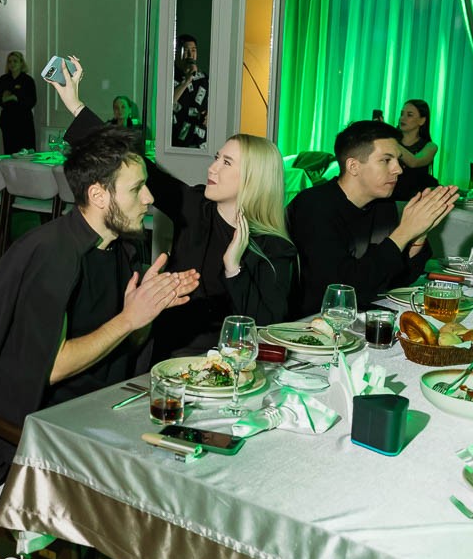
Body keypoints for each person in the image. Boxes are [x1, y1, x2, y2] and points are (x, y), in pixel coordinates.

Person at [0, 123, 200, 488]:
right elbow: (49, 369)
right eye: (136, 189)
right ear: (98, 195)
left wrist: (147, 312)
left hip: (110, 406)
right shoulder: (50, 257)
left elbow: (124, 344)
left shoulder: (122, 246)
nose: (149, 198)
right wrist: (128, 319)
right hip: (48, 430)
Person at [52, 58, 297, 356]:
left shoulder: (274, 246)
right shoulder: (194, 207)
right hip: (169, 352)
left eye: (226, 162)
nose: (212, 168)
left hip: (231, 363)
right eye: (216, 158)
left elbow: (268, 328)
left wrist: (234, 267)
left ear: (253, 179)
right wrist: (75, 105)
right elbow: (131, 160)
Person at [287, 120, 457, 316]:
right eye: (386, 160)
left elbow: (395, 280)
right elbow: (342, 291)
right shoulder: (313, 206)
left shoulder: (382, 205)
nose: (398, 169)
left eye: (398, 160)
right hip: (309, 321)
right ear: (353, 166)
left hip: (358, 315)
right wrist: (404, 233)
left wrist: (419, 234)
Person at [391, 99, 439, 201]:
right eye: (402, 114)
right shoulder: (392, 141)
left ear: (422, 120)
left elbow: (414, 162)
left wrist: (389, 141)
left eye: (409, 115)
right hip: (389, 195)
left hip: (416, 199)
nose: (402, 118)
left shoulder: (430, 146)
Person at [0, 51, 37, 153]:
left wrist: (15, 97)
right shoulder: (3, 80)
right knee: (10, 152)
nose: (12, 64)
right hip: (8, 122)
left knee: (26, 153)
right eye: (9, 62)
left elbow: (32, 101)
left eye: (15, 61)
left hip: (24, 122)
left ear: (21, 63)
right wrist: (5, 99)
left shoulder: (28, 80)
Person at [171, 35, 209, 149]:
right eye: (186, 50)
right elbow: (168, 103)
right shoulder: (169, 76)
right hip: (176, 142)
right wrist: (187, 80)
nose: (190, 55)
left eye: (193, 50)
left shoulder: (203, 78)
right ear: (177, 53)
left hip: (200, 142)